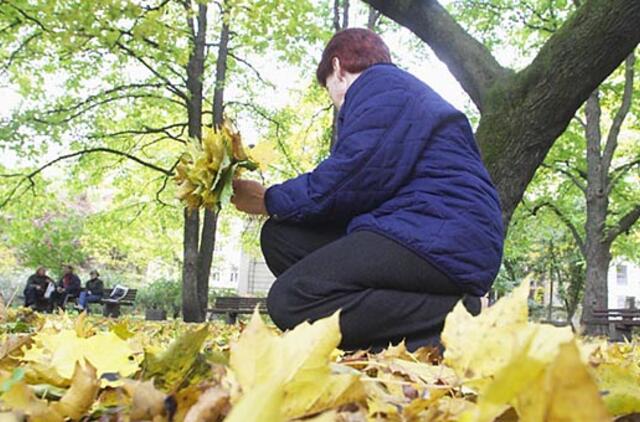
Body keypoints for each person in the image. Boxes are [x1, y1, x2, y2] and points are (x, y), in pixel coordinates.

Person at [231, 28, 504, 351]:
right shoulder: (399, 93)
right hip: (424, 226)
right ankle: (399, 325)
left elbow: (353, 174)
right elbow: (364, 185)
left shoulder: (380, 85)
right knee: (282, 237)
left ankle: (457, 320)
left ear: (337, 69)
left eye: (328, 89)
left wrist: (268, 198)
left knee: (291, 299)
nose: (334, 101)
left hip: (442, 232)